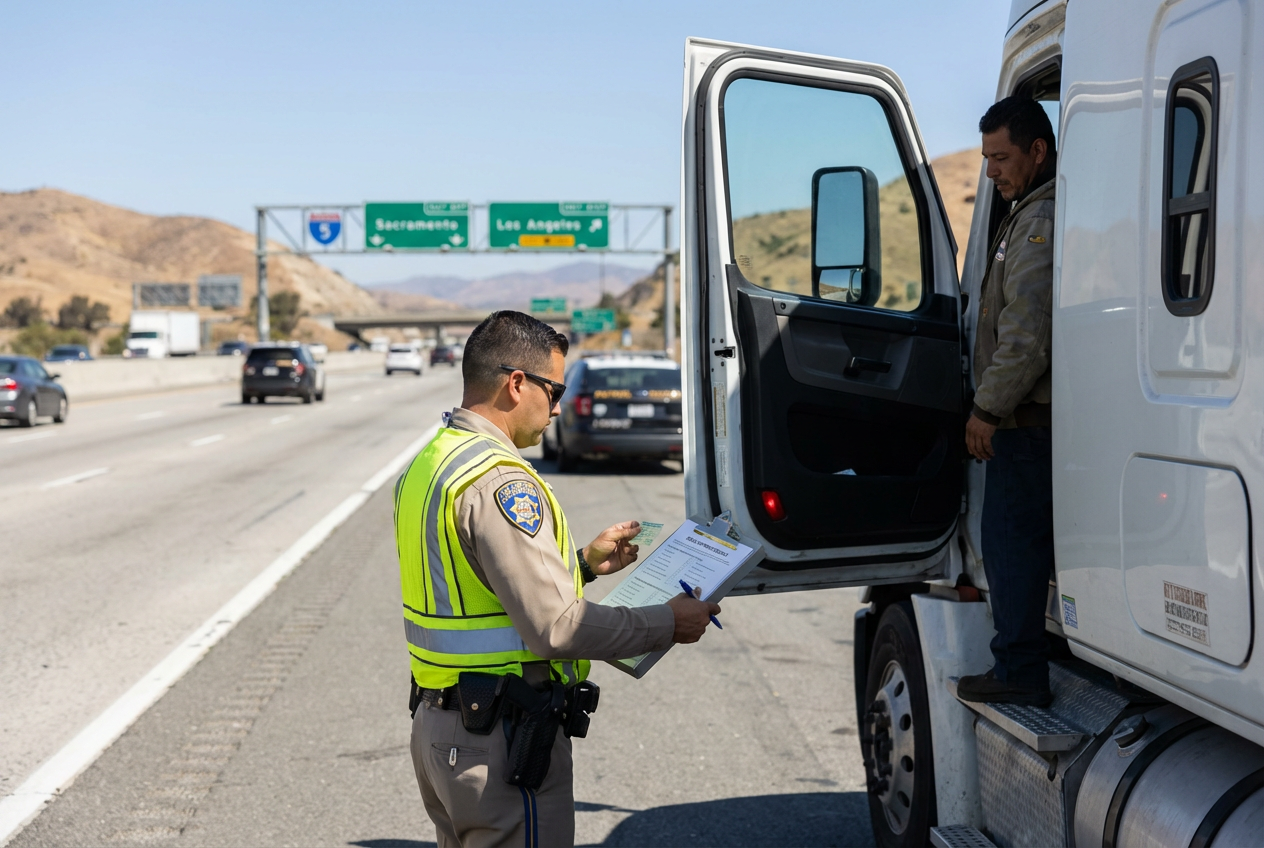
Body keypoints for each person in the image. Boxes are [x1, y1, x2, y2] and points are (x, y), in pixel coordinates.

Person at [394, 310, 721, 847]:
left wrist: (584, 565)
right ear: (517, 384)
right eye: (555, 391)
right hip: (500, 741)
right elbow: (558, 630)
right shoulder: (499, 480)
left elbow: (477, 587)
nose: (558, 409)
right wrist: (670, 622)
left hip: (441, 733)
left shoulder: (433, 461)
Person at [956, 96, 1058, 708]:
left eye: (1001, 157)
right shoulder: (1023, 212)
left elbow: (1028, 329)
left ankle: (1019, 669)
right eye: (987, 158)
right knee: (1014, 542)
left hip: (1025, 422)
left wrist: (987, 409)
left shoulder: (1039, 218)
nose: (990, 171)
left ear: (1037, 151)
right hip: (1023, 418)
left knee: (1011, 543)